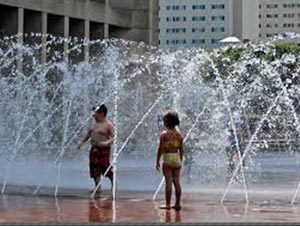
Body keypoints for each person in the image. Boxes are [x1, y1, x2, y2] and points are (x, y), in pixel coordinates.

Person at [77, 104, 116, 195]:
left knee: (105, 166)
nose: (93, 115)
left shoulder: (108, 125)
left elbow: (115, 136)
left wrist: (107, 142)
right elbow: (88, 135)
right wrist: (81, 142)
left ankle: (113, 184)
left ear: (102, 113)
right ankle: (97, 186)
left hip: (104, 149)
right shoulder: (94, 124)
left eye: (95, 113)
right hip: (94, 149)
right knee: (94, 167)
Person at [156, 110, 184, 211]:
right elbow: (181, 149)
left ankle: (168, 204)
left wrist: (158, 161)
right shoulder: (179, 135)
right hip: (176, 159)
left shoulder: (164, 135)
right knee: (176, 181)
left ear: (166, 122)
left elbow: (161, 149)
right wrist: (180, 160)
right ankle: (177, 203)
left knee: (168, 181)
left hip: (167, 158)